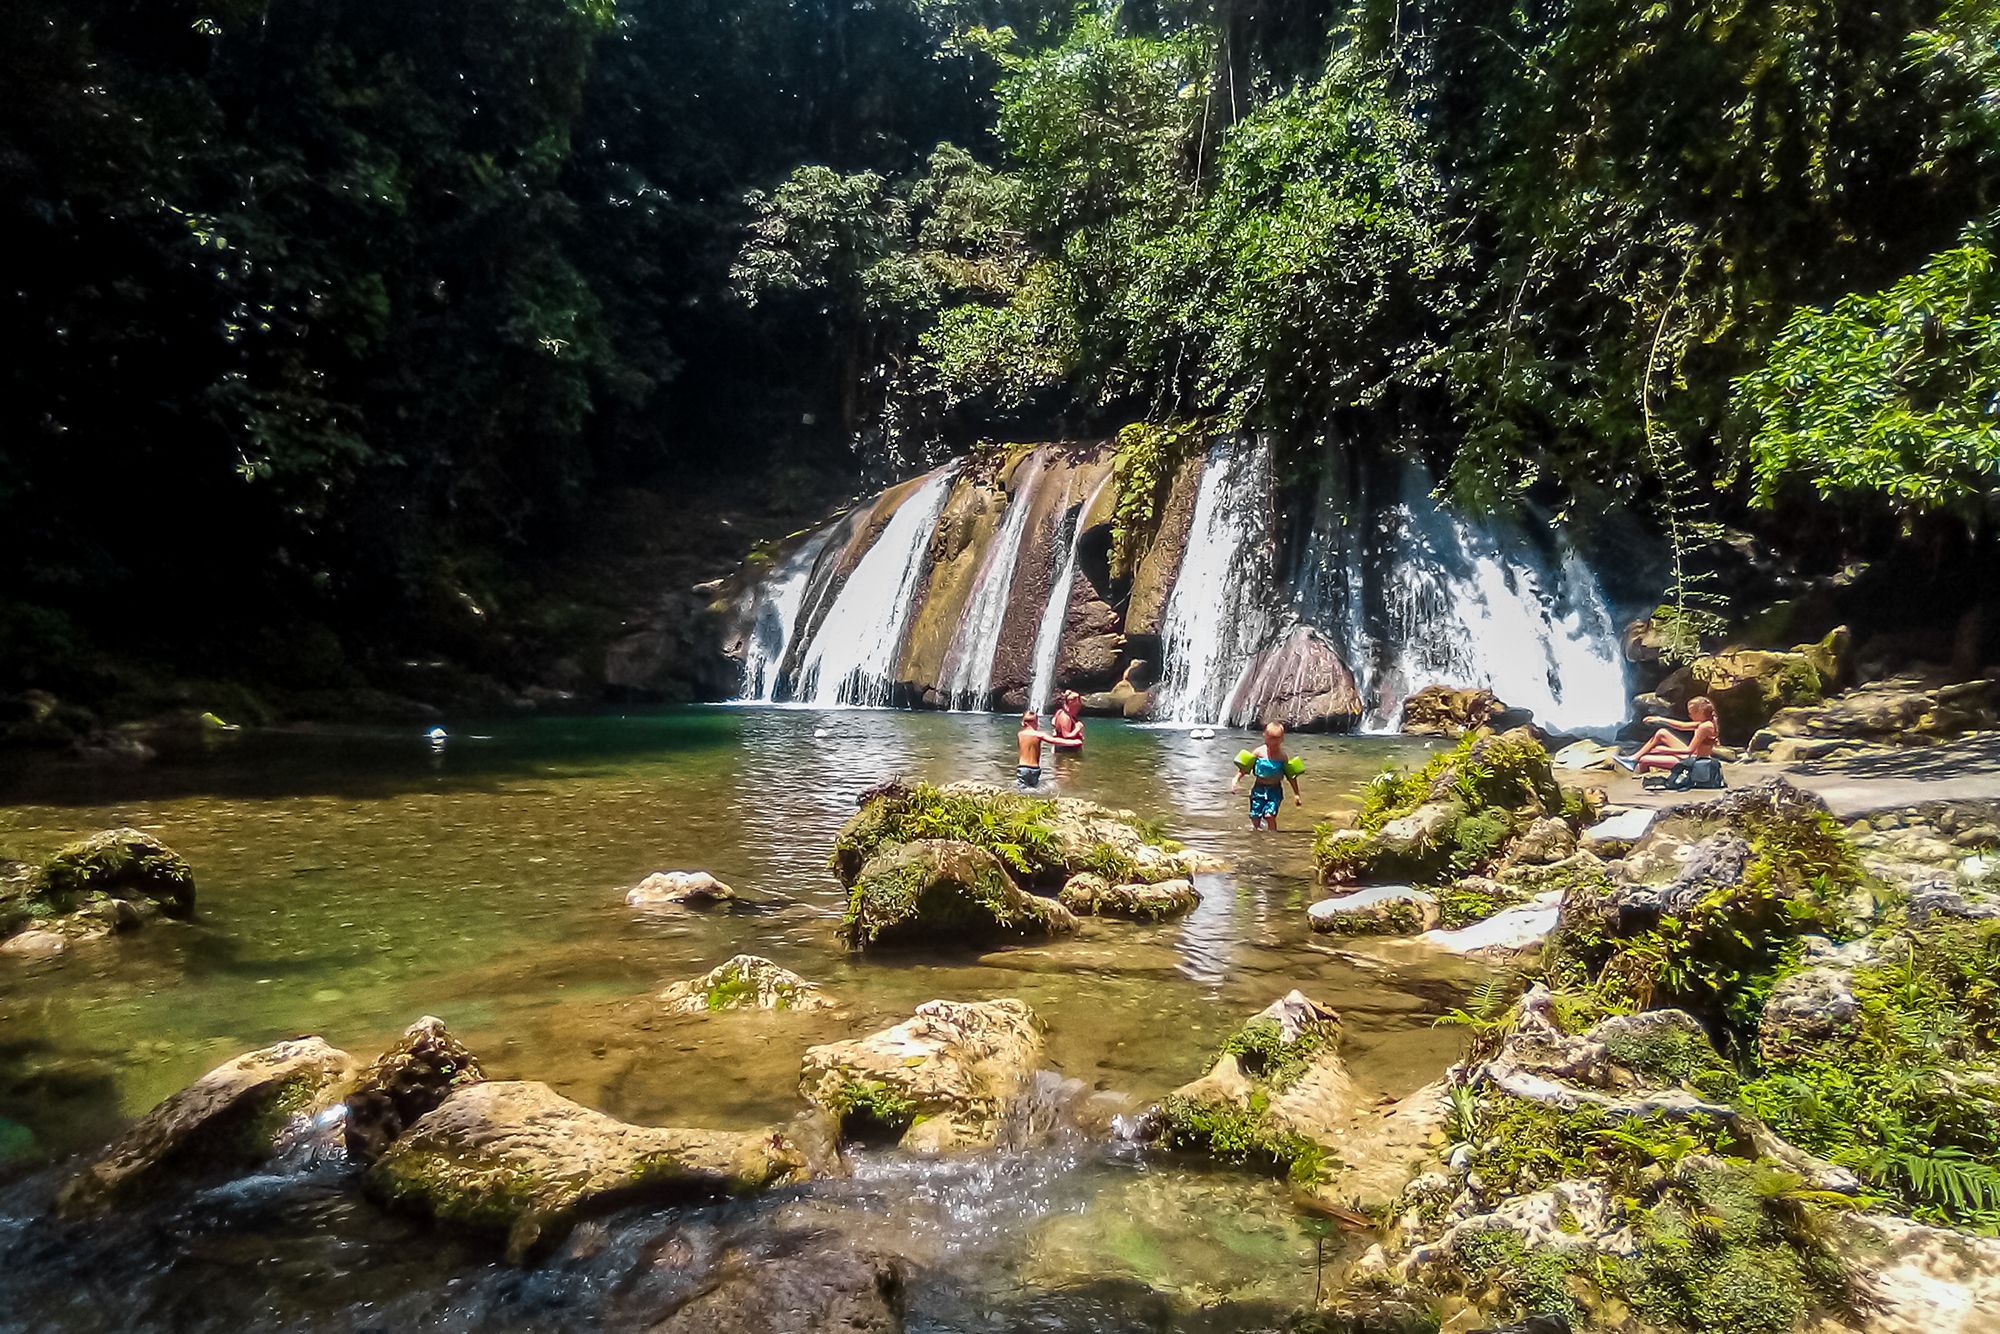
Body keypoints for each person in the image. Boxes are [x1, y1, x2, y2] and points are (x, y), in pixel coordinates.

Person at [1231, 722, 1304, 830]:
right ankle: (1257, 836)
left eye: (1276, 744)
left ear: (1282, 740)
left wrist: (1296, 794)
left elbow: (1291, 776)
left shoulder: (1282, 756)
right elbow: (1245, 768)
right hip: (1258, 789)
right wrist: (1236, 779)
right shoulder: (1258, 753)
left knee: (1269, 815)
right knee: (1255, 816)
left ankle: (1272, 836)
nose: (1273, 747)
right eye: (1271, 744)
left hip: (1274, 790)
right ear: (1265, 737)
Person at [1616, 697, 1719, 773]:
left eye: (1691, 713)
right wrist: (1659, 719)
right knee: (1662, 733)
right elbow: (1682, 726)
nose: (1689, 715)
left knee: (1644, 760)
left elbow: (1689, 750)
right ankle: (1633, 758)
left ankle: (1638, 779)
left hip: (1695, 763)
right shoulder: (1706, 722)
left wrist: (1664, 750)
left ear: (1699, 712)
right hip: (1692, 757)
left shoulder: (1704, 727)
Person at [1016, 710, 1065, 788]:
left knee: (1021, 789)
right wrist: (1073, 742)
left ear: (1023, 722)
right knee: (1034, 788)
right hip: (1035, 768)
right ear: (1037, 723)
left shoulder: (1020, 734)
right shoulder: (1039, 735)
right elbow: (1055, 740)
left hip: (1023, 767)